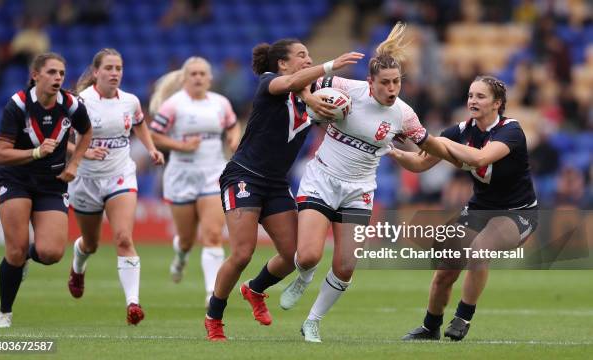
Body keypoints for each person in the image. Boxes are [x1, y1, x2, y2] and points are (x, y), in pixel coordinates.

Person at [276, 22, 459, 342]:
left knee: (346, 266)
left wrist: (459, 154)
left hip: (359, 190)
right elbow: (297, 83)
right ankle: (304, 276)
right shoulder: (344, 89)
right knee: (307, 256)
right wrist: (311, 98)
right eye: (385, 83)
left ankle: (312, 321)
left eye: (397, 82)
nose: (392, 89)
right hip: (322, 179)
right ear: (370, 82)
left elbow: (422, 157)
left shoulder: (404, 115)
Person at [203, 38, 364, 341]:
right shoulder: (269, 83)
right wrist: (329, 65)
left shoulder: (310, 95)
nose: (308, 59)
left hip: (276, 183)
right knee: (241, 253)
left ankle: (254, 289)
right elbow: (290, 83)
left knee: (294, 255)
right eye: (301, 55)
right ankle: (214, 316)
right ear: (281, 63)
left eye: (309, 55)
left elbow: (308, 91)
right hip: (244, 176)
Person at [395, 75, 538, 341]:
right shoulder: (461, 131)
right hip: (478, 210)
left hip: (517, 212)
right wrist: (391, 151)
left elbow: (481, 157)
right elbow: (419, 163)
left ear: (497, 104)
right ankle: (430, 327)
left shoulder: (511, 130)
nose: (473, 100)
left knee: (479, 251)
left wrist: (441, 142)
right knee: (445, 270)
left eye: (480, 96)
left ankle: (463, 317)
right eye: (471, 95)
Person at [0, 52, 92, 328]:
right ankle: (4, 313)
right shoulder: (18, 106)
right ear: (35, 75)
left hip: (52, 182)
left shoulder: (70, 104)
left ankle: (25, 257)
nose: (58, 77)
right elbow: (1, 153)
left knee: (51, 253)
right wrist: (35, 152)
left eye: (61, 73)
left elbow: (87, 131)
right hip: (17, 179)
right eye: (51, 72)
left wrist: (75, 163)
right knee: (15, 250)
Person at [66, 48, 164, 326]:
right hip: (85, 180)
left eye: (118, 68)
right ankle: (78, 267)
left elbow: (140, 125)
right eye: (108, 68)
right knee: (91, 243)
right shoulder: (79, 102)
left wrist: (152, 149)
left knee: (123, 238)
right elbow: (59, 139)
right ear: (96, 72)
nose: (114, 73)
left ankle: (133, 303)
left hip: (120, 175)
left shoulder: (130, 101)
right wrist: (83, 152)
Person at [148, 56, 240, 307]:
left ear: (210, 78)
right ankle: (180, 256)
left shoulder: (220, 103)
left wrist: (233, 139)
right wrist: (180, 145)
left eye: (203, 74)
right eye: (194, 74)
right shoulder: (173, 105)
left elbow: (233, 126)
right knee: (187, 239)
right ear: (185, 78)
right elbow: (154, 135)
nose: (199, 78)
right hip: (181, 175)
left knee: (212, 234)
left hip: (213, 174)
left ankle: (212, 292)